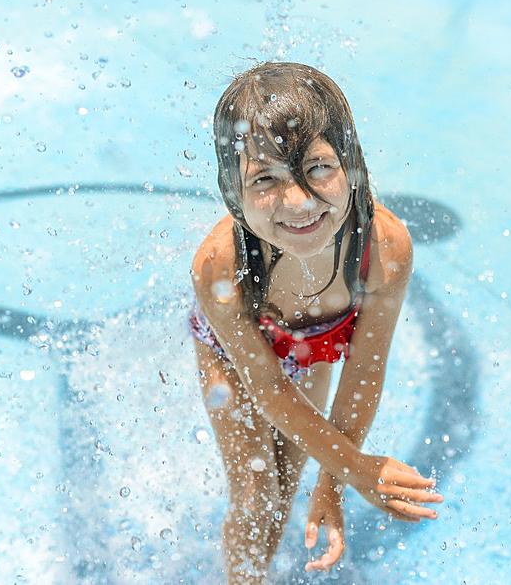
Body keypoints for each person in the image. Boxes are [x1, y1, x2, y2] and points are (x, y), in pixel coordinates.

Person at [188, 62, 443, 584]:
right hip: (234, 351)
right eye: (264, 179)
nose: (299, 201)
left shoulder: (383, 248)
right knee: (256, 491)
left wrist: (335, 483)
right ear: (232, 194)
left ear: (352, 165)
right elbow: (268, 390)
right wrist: (361, 469)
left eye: (319, 168)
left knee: (289, 480)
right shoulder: (218, 267)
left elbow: (363, 375)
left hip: (312, 347)